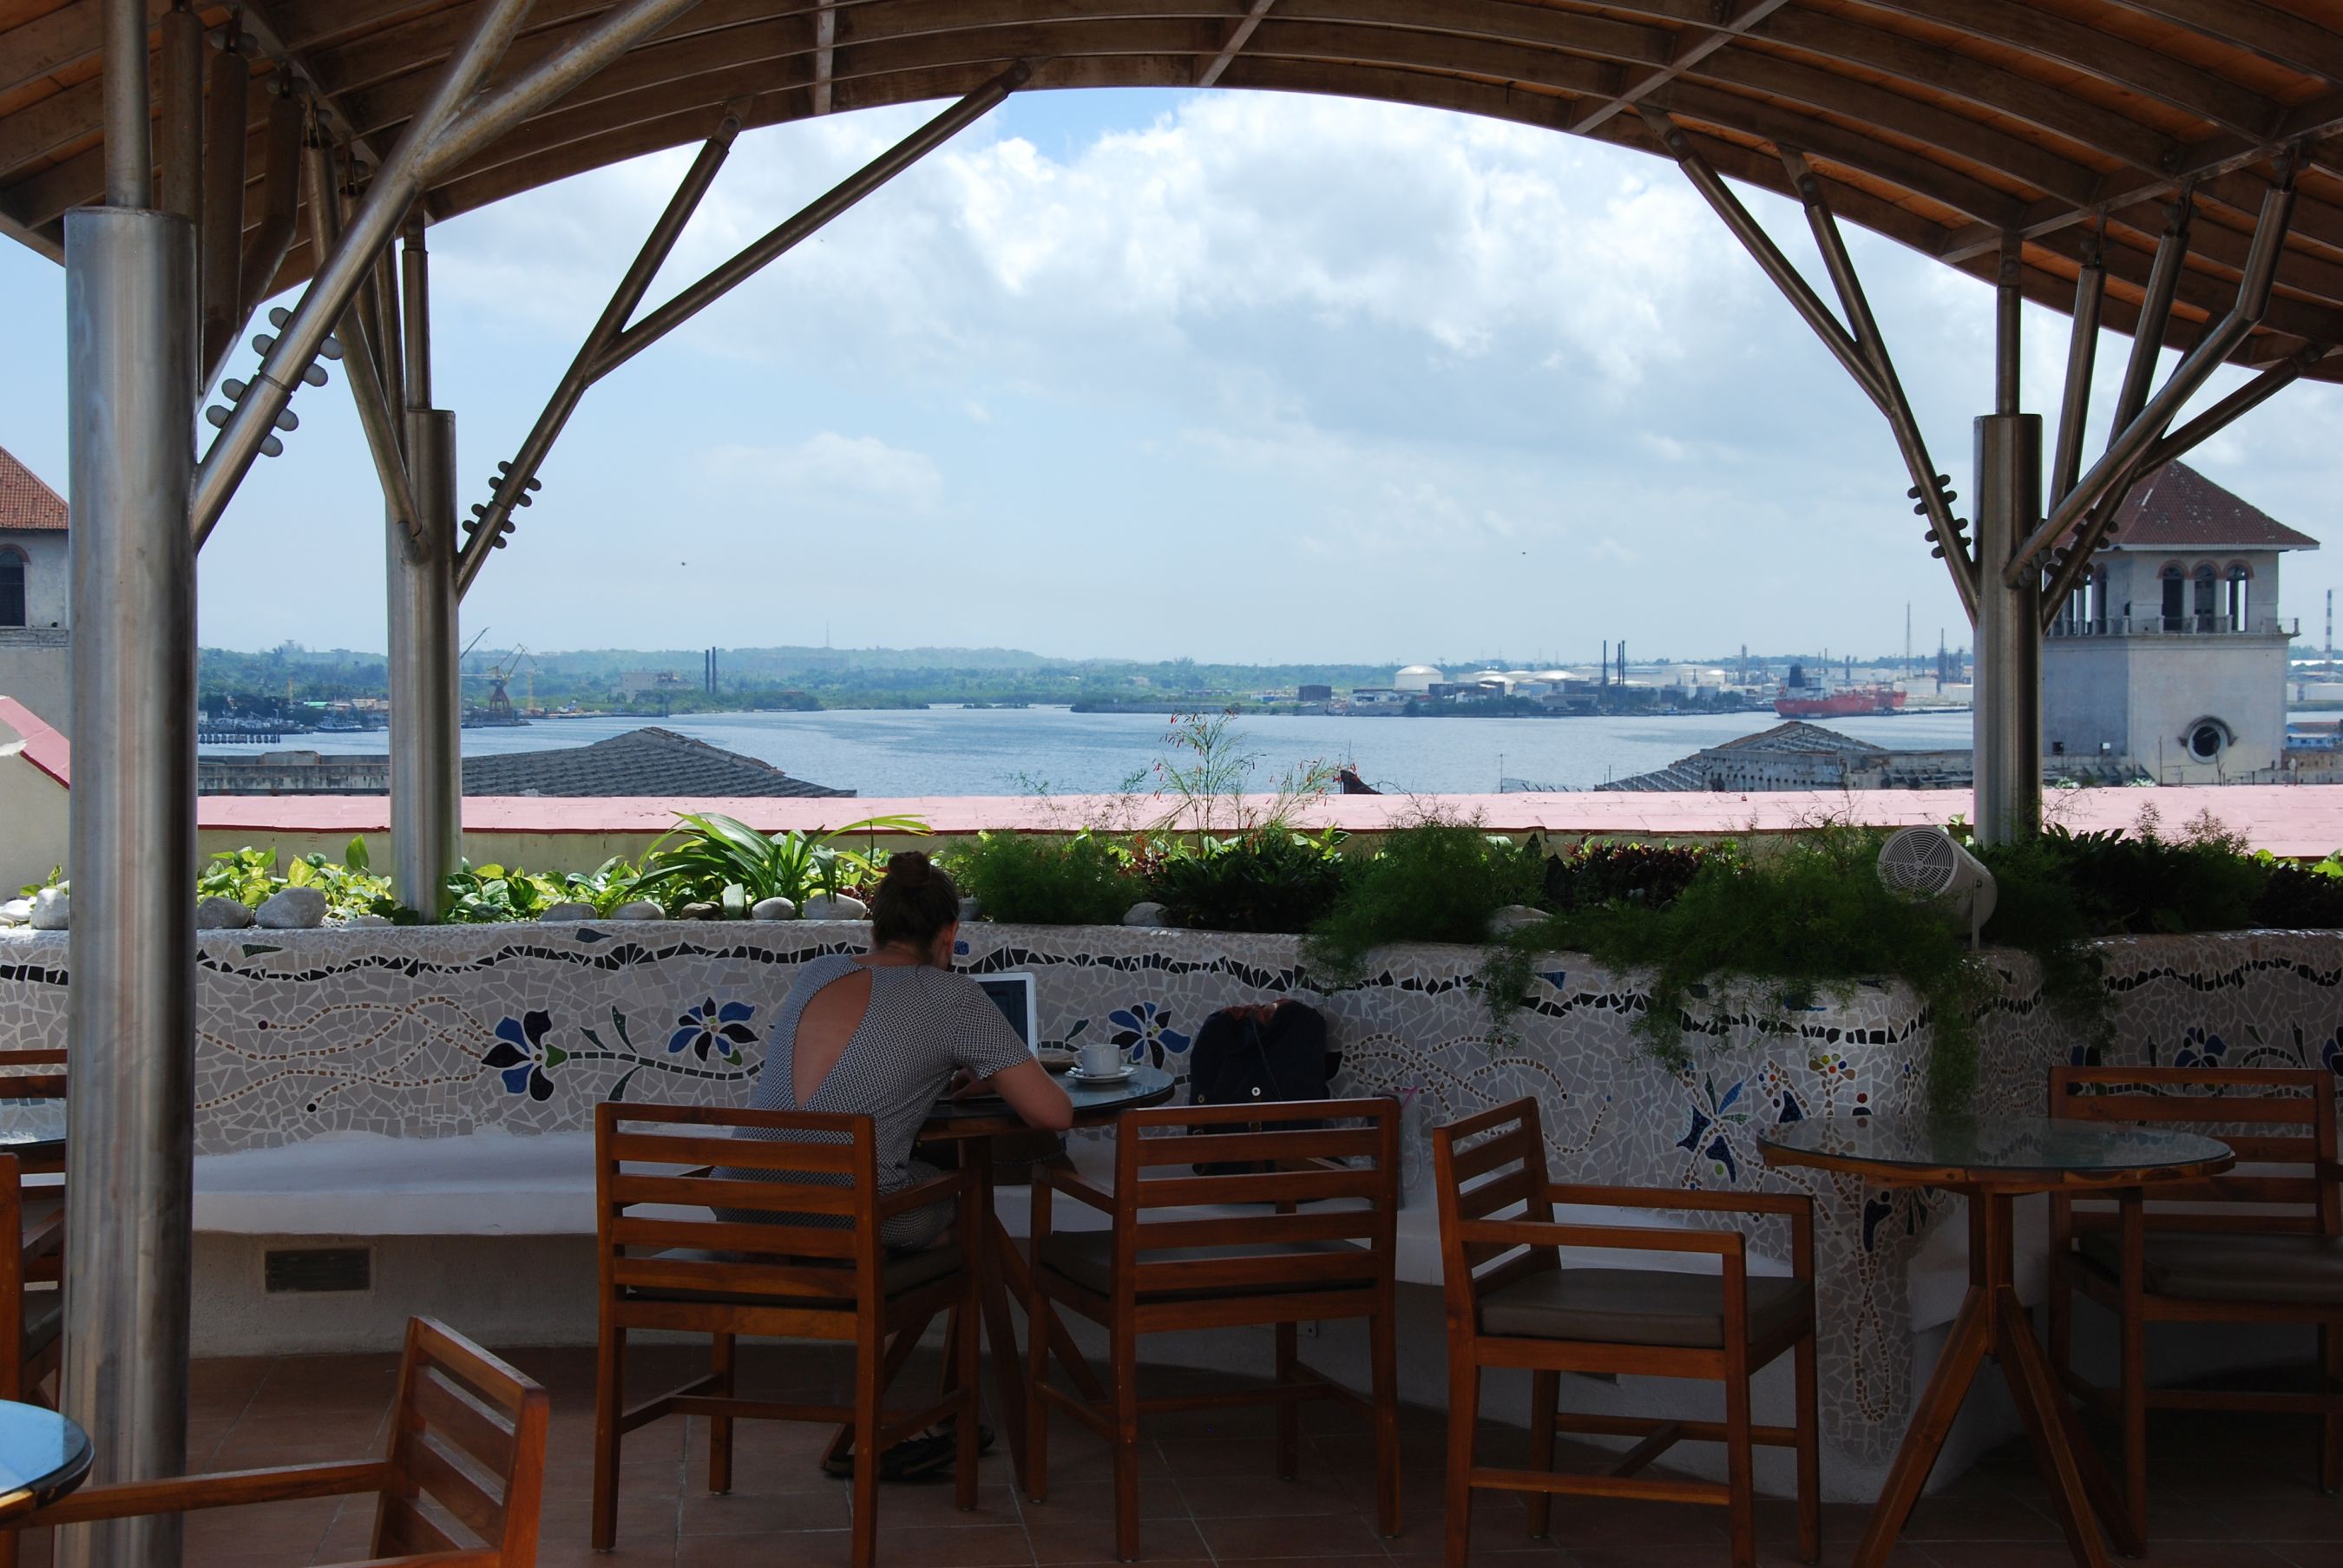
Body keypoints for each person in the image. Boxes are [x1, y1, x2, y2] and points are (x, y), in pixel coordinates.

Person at [722, 850, 1073, 1251]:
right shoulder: (955, 996)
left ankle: (829, 1273)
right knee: (965, 1200)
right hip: (855, 1211)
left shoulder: (818, 971)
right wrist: (997, 1076)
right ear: (951, 934)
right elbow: (1054, 1115)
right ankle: (891, 1282)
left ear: (876, 929)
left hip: (741, 1199)